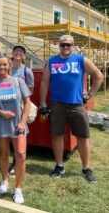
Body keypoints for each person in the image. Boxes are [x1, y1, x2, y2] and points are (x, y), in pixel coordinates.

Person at [40, 35, 103, 183]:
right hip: (57, 105)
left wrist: (89, 95)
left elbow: (98, 76)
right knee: (57, 135)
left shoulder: (81, 60)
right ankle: (59, 165)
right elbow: (44, 83)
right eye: (63, 45)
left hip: (77, 104)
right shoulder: (51, 61)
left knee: (83, 136)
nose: (66, 47)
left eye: (68, 45)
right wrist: (43, 103)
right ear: (59, 45)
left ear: (73, 45)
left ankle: (86, 168)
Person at [0, 53, 31, 204]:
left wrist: (23, 122)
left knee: (20, 156)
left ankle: (18, 189)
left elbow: (28, 103)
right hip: (1, 125)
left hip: (19, 126)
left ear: (9, 65)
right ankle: (4, 180)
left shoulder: (18, 81)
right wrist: (1, 112)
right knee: (3, 155)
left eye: (4, 64)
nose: (2, 67)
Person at [9, 45, 34, 177]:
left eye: (22, 52)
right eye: (16, 51)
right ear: (12, 54)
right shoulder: (6, 68)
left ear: (24, 57)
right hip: (6, 105)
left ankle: (15, 164)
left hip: (20, 108)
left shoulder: (27, 71)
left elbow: (30, 91)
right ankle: (9, 160)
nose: (18, 53)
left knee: (19, 134)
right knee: (8, 135)